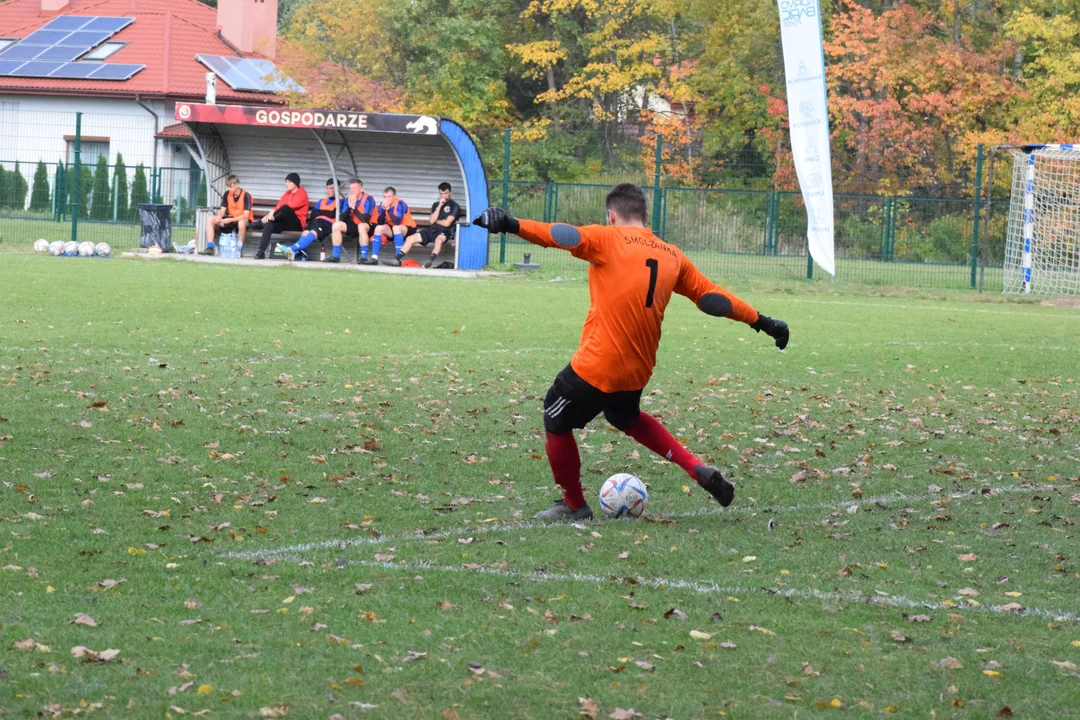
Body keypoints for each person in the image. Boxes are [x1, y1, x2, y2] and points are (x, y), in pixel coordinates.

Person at [474, 183, 790, 521]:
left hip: (599, 364)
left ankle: (574, 505)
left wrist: (509, 223)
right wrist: (764, 322)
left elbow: (558, 234)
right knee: (624, 416)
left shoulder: (606, 238)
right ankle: (695, 467)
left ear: (612, 215)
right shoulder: (671, 255)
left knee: (555, 417)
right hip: (637, 369)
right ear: (644, 215)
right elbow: (713, 297)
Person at [276, 178, 342, 262]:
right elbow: (314, 214)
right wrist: (327, 213)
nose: (329, 190)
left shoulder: (341, 202)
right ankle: (295, 252)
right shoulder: (322, 201)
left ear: (337, 189)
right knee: (305, 232)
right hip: (315, 221)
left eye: (331, 188)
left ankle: (292, 248)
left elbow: (335, 214)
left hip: (327, 223)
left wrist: (321, 212)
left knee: (313, 233)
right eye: (327, 188)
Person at [396, 182, 460, 267]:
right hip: (432, 230)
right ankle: (396, 259)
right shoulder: (436, 205)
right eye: (441, 194)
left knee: (439, 240)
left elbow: (447, 223)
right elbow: (431, 221)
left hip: (445, 232)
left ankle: (430, 260)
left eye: (446, 193)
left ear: (450, 193)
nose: (443, 196)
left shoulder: (455, 206)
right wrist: (440, 206)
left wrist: (436, 220)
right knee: (410, 238)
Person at [254, 173, 309, 259]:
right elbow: (277, 207)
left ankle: (260, 223)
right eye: (286, 181)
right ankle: (261, 252)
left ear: (294, 183)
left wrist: (270, 216)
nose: (286, 184)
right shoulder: (287, 194)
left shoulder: (302, 193)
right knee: (269, 225)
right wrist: (270, 214)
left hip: (297, 225)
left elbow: (289, 207)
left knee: (286, 208)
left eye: (288, 181)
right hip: (284, 223)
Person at [201, 175, 252, 255]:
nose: (229, 189)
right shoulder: (227, 194)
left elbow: (245, 216)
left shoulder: (246, 195)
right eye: (228, 187)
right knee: (210, 219)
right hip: (230, 219)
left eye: (231, 187)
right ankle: (210, 247)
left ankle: (239, 249)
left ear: (237, 185)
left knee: (241, 223)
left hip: (242, 219)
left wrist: (229, 220)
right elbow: (222, 210)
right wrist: (219, 217)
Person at [333, 179, 379, 265]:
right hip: (356, 225)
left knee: (362, 226)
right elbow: (342, 218)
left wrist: (354, 208)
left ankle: (364, 257)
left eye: (354, 188)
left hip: (370, 225)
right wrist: (350, 207)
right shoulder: (349, 199)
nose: (351, 190)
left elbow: (365, 219)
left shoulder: (368, 199)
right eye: (350, 188)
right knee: (336, 225)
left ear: (361, 189)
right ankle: (336, 256)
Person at [372, 187, 416, 266]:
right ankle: (374, 258)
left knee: (396, 227)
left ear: (394, 197)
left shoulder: (400, 203)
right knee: (378, 228)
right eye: (385, 197)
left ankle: (397, 259)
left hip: (408, 228)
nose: (387, 199)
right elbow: (380, 222)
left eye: (389, 197)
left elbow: (397, 221)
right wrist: (383, 210)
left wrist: (388, 209)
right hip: (394, 228)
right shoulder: (383, 204)